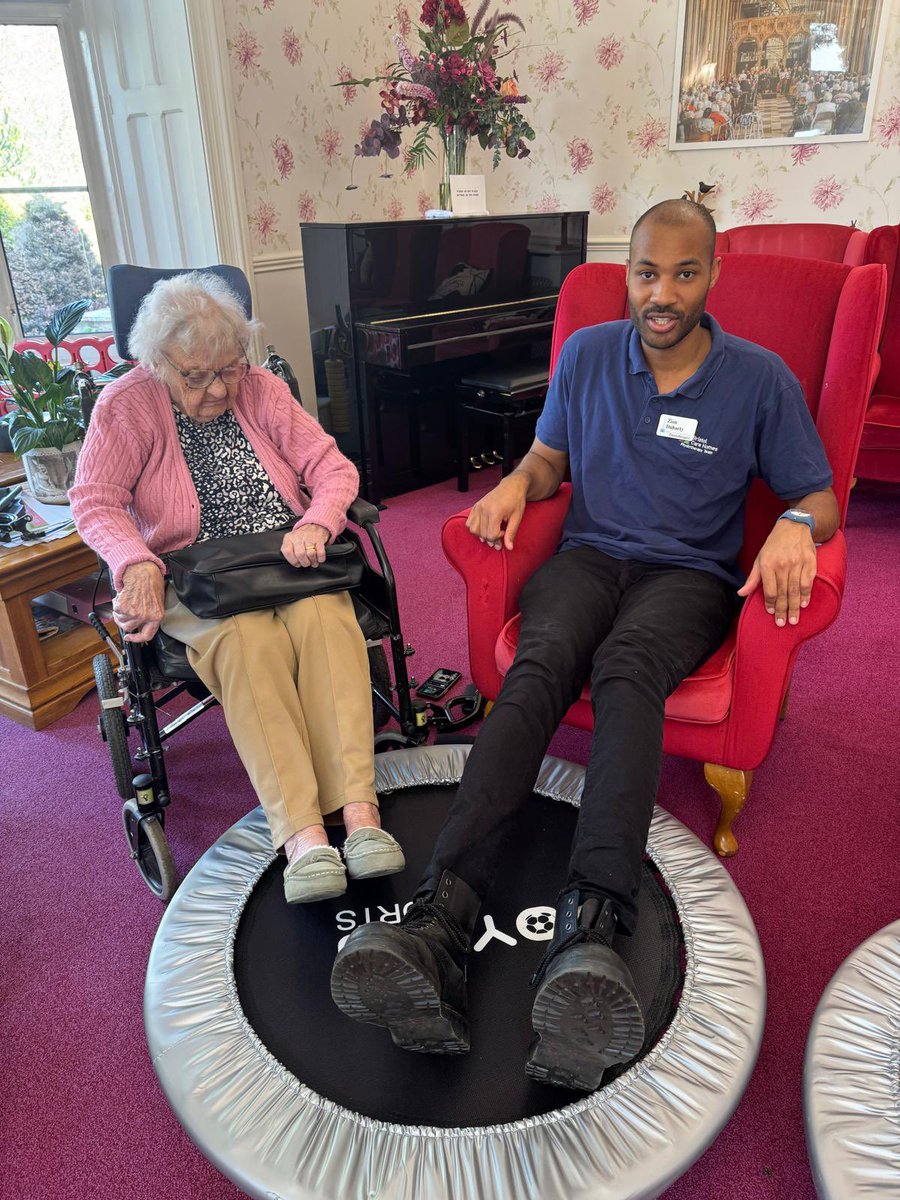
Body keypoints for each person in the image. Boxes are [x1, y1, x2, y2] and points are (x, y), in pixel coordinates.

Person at [329, 200, 837, 1091]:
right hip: (588, 558)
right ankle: (438, 920)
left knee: (628, 672)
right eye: (647, 273)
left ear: (712, 277)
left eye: (684, 273)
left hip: (688, 578)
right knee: (539, 668)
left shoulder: (761, 380)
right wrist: (514, 487)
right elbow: (547, 459)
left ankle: (593, 930)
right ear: (627, 274)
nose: (662, 293)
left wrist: (796, 525)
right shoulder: (589, 354)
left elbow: (819, 497)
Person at [70, 273, 405, 904]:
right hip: (196, 576)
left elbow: (332, 468)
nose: (220, 389)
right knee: (250, 644)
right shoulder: (126, 404)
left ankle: (360, 815)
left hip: (288, 555)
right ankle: (302, 834)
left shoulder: (262, 387)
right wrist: (136, 562)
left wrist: (316, 522)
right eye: (197, 376)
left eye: (229, 369)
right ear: (157, 362)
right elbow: (95, 500)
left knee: (328, 625)